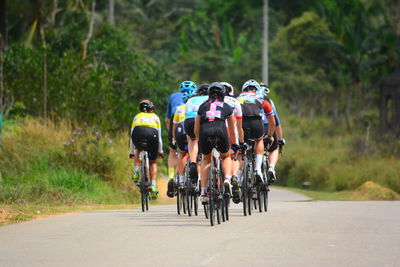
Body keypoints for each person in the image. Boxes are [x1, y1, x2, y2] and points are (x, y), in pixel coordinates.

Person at [194, 82, 239, 203]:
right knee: (225, 156)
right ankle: (227, 180)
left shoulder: (202, 106)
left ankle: (203, 192)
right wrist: (234, 144)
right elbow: (232, 128)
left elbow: (196, 129)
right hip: (220, 131)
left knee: (206, 159)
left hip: (205, 132)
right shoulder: (227, 106)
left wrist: (199, 142)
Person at [236, 79, 276, 185]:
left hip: (242, 124)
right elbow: (272, 121)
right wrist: (270, 135)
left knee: (240, 152)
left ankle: (237, 179)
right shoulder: (261, 99)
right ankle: (258, 169)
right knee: (259, 140)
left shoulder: (238, 98)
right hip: (256, 123)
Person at [130, 100, 163, 199]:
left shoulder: (137, 117)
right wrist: (160, 151)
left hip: (138, 133)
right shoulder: (155, 117)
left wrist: (131, 152)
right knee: (153, 162)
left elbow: (131, 136)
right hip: (152, 134)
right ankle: (153, 185)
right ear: (151, 109)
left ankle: (136, 172)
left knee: (137, 150)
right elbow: (159, 137)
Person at [165, 81, 197, 182]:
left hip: (177, 123)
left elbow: (168, 119)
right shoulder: (195, 99)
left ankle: (171, 177)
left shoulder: (173, 96)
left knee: (173, 151)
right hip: (192, 123)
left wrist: (172, 135)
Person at [220, 82, 245, 199]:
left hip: (215, 130)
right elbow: (239, 127)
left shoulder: (213, 102)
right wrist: (241, 142)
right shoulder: (235, 102)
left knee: (216, 157)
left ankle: (215, 181)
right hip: (230, 132)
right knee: (234, 156)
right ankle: (233, 176)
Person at [258, 83, 285, 183]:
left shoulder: (248, 100)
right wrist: (280, 139)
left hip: (252, 128)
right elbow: (276, 122)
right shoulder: (268, 101)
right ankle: (271, 167)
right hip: (266, 126)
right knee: (274, 147)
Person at [183, 84, 209, 182]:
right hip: (204, 120)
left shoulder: (190, 100)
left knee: (192, 139)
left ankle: (193, 162)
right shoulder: (211, 99)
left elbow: (185, 116)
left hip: (189, 121)